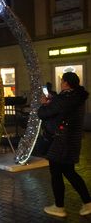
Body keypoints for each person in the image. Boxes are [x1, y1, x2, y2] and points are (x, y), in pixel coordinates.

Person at [37, 72, 91, 217]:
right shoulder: (78, 97)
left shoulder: (64, 98)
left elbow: (43, 114)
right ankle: (87, 202)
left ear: (66, 83)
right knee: (69, 172)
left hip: (60, 141)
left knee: (56, 173)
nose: (61, 83)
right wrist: (53, 101)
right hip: (72, 140)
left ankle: (59, 206)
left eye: (62, 81)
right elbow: (62, 110)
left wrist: (44, 104)